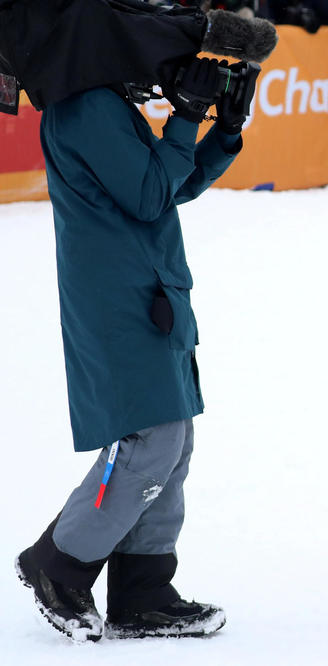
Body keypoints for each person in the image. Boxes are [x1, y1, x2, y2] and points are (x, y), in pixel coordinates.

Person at [14, 56, 251, 642]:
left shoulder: (105, 100)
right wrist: (186, 115)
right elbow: (149, 194)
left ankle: (143, 590)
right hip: (121, 302)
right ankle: (59, 561)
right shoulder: (87, 106)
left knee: (172, 437)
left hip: (151, 293)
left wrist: (222, 130)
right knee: (151, 439)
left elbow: (170, 185)